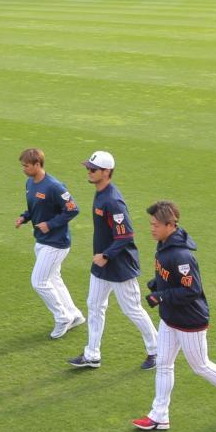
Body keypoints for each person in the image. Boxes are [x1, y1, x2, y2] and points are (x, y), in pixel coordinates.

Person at [131, 200, 216, 431]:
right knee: (163, 364)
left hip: (190, 321)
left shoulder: (182, 256)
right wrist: (158, 283)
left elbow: (191, 290)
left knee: (200, 365)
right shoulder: (164, 245)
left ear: (170, 225)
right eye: (151, 224)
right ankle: (159, 416)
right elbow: (170, 277)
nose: (152, 228)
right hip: (169, 318)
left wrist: (161, 296)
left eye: (156, 225)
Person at [68, 151, 158, 370]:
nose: (88, 172)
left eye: (93, 169)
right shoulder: (101, 193)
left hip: (119, 267)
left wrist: (106, 255)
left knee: (132, 310)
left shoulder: (112, 201)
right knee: (94, 306)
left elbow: (125, 235)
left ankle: (157, 350)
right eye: (88, 168)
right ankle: (92, 355)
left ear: (106, 172)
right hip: (102, 266)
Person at [15, 148, 85, 339]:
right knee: (54, 279)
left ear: (37, 164)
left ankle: (62, 318)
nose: (23, 169)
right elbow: (34, 208)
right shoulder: (30, 183)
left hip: (56, 243)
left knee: (38, 282)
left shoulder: (54, 186)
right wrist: (24, 217)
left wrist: (50, 224)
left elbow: (73, 209)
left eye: (26, 166)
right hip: (42, 240)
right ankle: (74, 315)